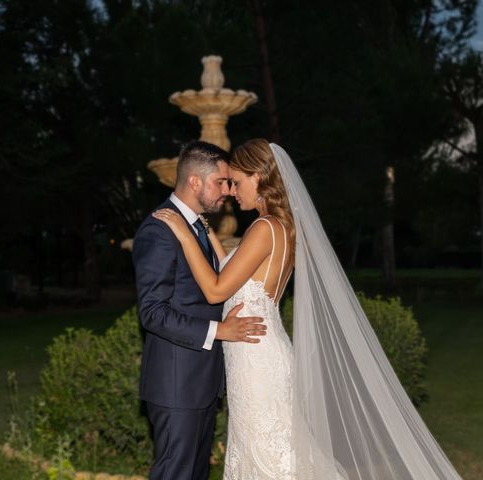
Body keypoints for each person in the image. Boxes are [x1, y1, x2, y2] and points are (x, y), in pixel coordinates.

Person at [154, 139, 463, 480]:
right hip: (260, 350)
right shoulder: (282, 227)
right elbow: (233, 269)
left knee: (271, 457)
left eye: (237, 182)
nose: (231, 192)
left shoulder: (261, 228)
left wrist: (184, 235)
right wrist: (205, 228)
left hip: (255, 358)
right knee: (273, 450)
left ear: (259, 177)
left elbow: (215, 290)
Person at [132, 141, 267, 480]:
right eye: (220, 182)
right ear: (194, 181)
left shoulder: (197, 226)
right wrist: (221, 331)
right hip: (176, 384)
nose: (227, 190)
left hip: (201, 382)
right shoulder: (159, 230)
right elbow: (152, 311)